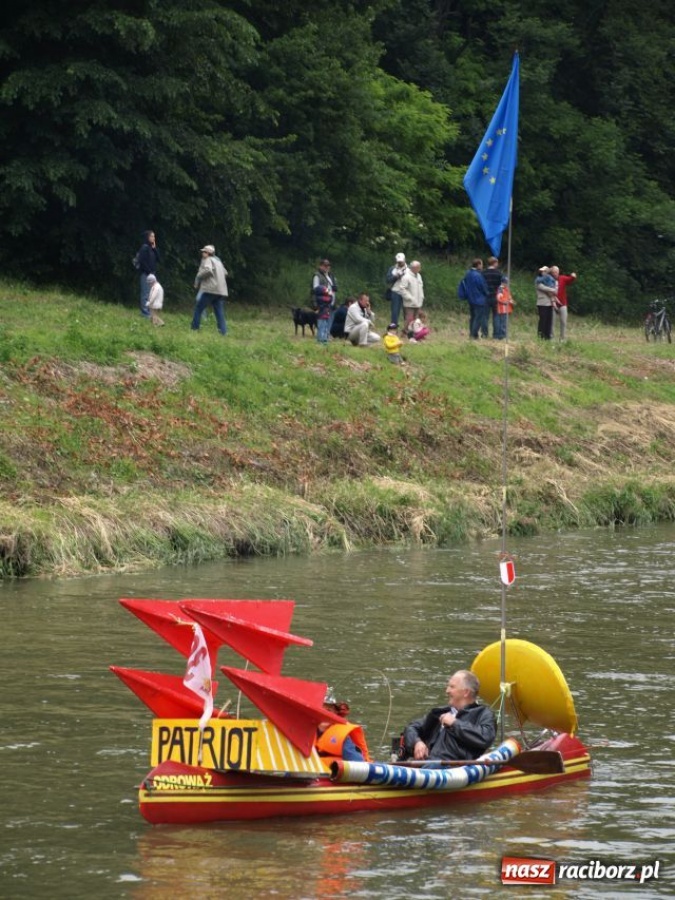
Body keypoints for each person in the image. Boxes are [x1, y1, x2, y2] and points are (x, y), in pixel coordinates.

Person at [402, 670, 496, 762]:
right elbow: (411, 727)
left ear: (466, 692)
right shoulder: (440, 713)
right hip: (427, 764)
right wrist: (417, 742)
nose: (447, 691)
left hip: (454, 768)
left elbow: (486, 737)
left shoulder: (484, 713)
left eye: (452, 687)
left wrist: (454, 723)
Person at [316, 689, 371, 763]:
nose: (325, 714)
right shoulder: (303, 730)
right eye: (322, 710)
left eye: (329, 711)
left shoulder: (341, 736)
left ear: (336, 713)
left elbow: (358, 763)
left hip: (334, 772)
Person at [191, 245, 229, 335]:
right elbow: (226, 273)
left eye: (204, 252)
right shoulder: (218, 261)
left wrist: (199, 275)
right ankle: (223, 332)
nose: (202, 253)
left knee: (198, 308)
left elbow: (208, 270)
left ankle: (194, 329)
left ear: (208, 253)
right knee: (219, 312)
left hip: (211, 290)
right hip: (221, 291)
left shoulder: (208, 260)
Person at [458, 259, 489, 339]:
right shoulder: (478, 275)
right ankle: (473, 335)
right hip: (479, 299)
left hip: (470, 299)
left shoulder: (468, 273)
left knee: (473, 317)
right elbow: (482, 286)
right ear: (478, 265)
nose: (482, 266)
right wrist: (487, 293)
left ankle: (472, 333)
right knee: (478, 318)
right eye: (481, 264)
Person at [135, 230, 160, 319]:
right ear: (147, 237)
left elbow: (159, 259)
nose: (153, 238)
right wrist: (149, 272)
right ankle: (145, 313)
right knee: (145, 294)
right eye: (151, 236)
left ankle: (148, 312)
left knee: (151, 294)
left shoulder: (151, 248)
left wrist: (155, 249)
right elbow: (142, 262)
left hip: (152, 274)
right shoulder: (144, 248)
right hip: (146, 274)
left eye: (154, 236)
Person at [398, 260, 424, 333]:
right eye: (418, 267)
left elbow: (421, 288)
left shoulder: (419, 276)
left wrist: (422, 297)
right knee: (409, 319)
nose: (420, 269)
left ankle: (415, 333)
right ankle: (405, 333)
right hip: (409, 303)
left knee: (416, 319)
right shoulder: (406, 277)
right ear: (413, 268)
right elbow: (402, 289)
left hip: (418, 302)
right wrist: (409, 298)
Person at [312, 259, 338, 331]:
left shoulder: (330, 275)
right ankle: (322, 336)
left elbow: (333, 288)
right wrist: (316, 304)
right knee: (322, 319)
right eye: (325, 265)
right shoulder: (317, 276)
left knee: (330, 319)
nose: (327, 267)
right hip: (323, 302)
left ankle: (327, 334)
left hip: (331, 301)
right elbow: (315, 289)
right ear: (320, 266)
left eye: (328, 265)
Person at [553, 267, 576, 341]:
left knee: (563, 322)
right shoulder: (549, 280)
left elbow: (570, 280)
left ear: (558, 272)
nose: (555, 274)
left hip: (563, 304)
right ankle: (551, 338)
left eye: (557, 272)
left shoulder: (562, 278)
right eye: (554, 272)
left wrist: (573, 276)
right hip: (552, 303)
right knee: (552, 322)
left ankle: (562, 339)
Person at [535, 266, 558, 340]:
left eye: (546, 271)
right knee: (543, 320)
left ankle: (547, 336)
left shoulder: (549, 280)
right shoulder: (538, 281)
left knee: (549, 320)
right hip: (542, 303)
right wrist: (553, 290)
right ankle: (541, 336)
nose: (545, 273)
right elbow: (543, 288)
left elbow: (552, 287)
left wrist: (553, 290)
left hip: (549, 303)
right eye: (543, 271)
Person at [385, 252, 408, 329]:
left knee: (407, 312)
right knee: (395, 312)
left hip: (406, 292)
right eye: (398, 261)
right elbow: (388, 280)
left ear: (404, 260)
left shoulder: (408, 269)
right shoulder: (392, 269)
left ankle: (407, 329)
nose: (400, 263)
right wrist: (396, 276)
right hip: (395, 292)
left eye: (401, 261)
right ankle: (393, 329)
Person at [483, 256, 503, 339]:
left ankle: (484, 334)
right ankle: (496, 335)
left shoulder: (483, 273)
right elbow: (501, 286)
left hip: (486, 297)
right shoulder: (498, 273)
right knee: (496, 316)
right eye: (497, 263)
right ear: (494, 263)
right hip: (496, 297)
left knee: (485, 317)